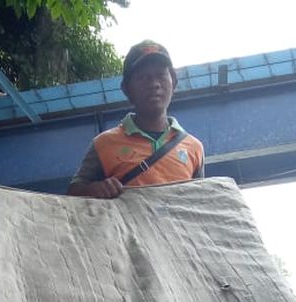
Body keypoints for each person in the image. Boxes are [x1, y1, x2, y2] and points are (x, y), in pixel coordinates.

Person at [67, 40, 204, 198]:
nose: (154, 84)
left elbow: (198, 208)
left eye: (161, 75)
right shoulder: (103, 144)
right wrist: (93, 190)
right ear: (127, 89)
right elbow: (72, 195)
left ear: (174, 82)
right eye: (143, 78)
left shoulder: (194, 148)